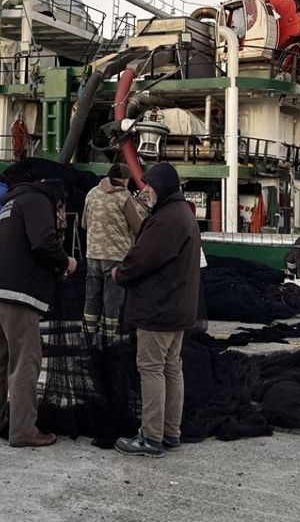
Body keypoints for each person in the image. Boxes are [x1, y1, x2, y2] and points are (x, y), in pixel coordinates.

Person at [0, 178, 75, 448]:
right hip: (16, 292)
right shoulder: (39, 200)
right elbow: (42, 241)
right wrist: (66, 261)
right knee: (25, 361)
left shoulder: (13, 203)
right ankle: (23, 430)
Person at [113, 163, 201, 458]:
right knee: (171, 368)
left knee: (151, 369)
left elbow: (142, 259)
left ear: (161, 187)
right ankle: (170, 433)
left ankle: (150, 438)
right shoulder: (182, 215)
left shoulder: (166, 220)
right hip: (178, 308)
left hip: (158, 309)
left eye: (148, 186)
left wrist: (119, 274)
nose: (144, 191)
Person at [80, 163, 141, 346]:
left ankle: (88, 339)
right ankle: (107, 341)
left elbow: (84, 223)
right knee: (111, 301)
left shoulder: (92, 193)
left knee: (91, 298)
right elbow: (137, 227)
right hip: (116, 257)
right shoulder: (124, 196)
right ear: (125, 180)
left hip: (93, 255)